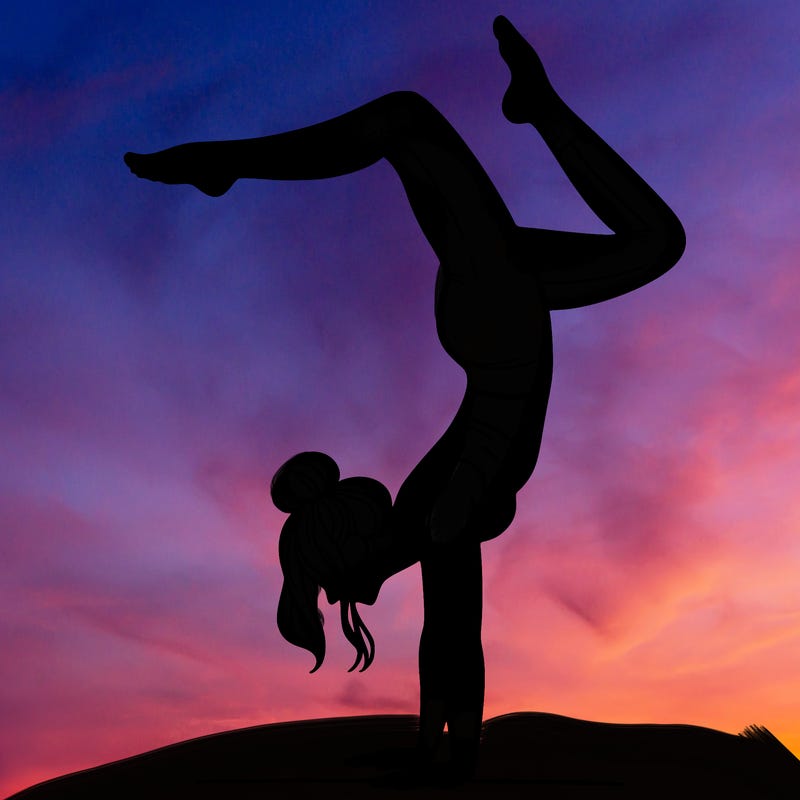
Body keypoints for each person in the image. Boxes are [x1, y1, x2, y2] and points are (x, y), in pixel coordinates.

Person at [125, 15, 685, 782]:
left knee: (418, 129)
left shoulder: (429, 502)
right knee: (413, 126)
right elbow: (456, 627)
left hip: (496, 316)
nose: (363, 500)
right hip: (498, 315)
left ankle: (446, 748)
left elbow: (448, 626)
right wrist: (452, 757)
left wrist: (438, 750)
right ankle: (451, 751)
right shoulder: (438, 506)